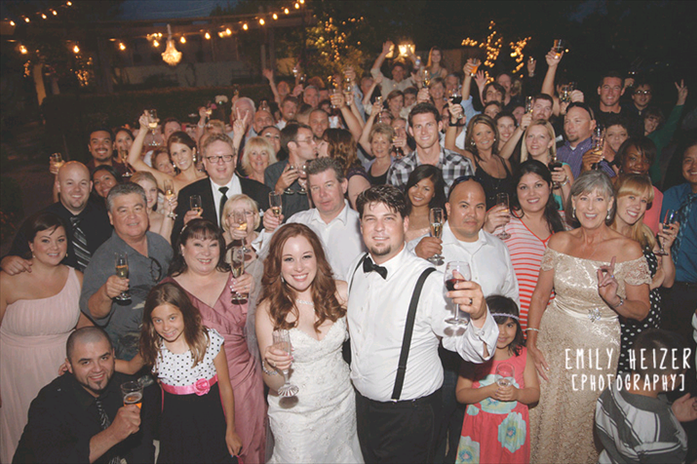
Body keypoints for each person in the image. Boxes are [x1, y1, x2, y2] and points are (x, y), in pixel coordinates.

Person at [348, 184, 498, 463]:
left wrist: (479, 316)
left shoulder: (429, 282)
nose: (379, 228)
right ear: (361, 226)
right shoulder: (358, 266)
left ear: (405, 224)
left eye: (389, 218)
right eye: (371, 219)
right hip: (363, 412)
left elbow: (474, 351)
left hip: (410, 418)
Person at [527, 170, 651, 463]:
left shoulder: (628, 249)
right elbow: (540, 296)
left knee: (579, 420)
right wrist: (532, 343)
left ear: (610, 204)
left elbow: (641, 309)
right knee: (543, 410)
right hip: (551, 342)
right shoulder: (559, 242)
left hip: (595, 348)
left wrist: (615, 300)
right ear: (573, 203)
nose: (591, 206)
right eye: (584, 198)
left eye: (599, 198)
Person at [157, 219, 265, 463]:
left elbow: (267, 322)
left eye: (213, 245)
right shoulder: (169, 290)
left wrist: (258, 290)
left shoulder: (240, 280)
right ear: (182, 249)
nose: (206, 253)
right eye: (197, 244)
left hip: (243, 380)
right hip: (197, 393)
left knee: (249, 448)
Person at [256, 223, 363, 463]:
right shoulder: (268, 310)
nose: (299, 267)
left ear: (318, 257)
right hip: (296, 417)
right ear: (277, 264)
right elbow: (272, 382)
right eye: (289, 259)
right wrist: (272, 364)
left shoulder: (342, 293)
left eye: (306, 256)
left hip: (342, 404)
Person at [0, 212, 92, 463]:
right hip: (15, 375)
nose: (55, 247)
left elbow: (85, 332)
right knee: (22, 437)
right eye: (46, 240)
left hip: (60, 372)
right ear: (30, 244)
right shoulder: (7, 280)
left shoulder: (77, 279)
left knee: (61, 439)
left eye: (61, 240)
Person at [12, 327, 156, 464]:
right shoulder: (49, 402)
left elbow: (142, 447)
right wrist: (112, 434)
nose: (98, 369)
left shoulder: (125, 388)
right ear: (69, 365)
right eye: (86, 362)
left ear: (113, 355)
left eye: (104, 358)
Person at [140, 282, 242, 463]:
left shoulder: (208, 341)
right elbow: (133, 369)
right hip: (174, 427)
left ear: (185, 314)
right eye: (158, 320)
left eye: (172, 318)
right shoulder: (154, 346)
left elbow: (226, 387)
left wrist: (231, 430)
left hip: (210, 421)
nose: (166, 327)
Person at [80, 183, 173, 359]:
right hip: (129, 357)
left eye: (138, 208)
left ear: (147, 210)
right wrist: (106, 293)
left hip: (168, 347)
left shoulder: (161, 245)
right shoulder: (102, 259)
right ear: (110, 217)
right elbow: (93, 312)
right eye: (123, 211)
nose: (132, 216)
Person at [455, 296, 540, 464]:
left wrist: (517, 394)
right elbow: (461, 394)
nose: (502, 332)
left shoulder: (523, 354)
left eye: (509, 325)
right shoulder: (474, 355)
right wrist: (488, 390)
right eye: (496, 325)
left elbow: (534, 393)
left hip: (511, 430)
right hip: (480, 429)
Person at [595, 329, 697, 464]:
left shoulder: (617, 385)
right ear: (669, 380)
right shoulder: (658, 435)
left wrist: (671, 414)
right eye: (682, 374)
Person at [487, 161, 566, 331]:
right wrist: (484, 229)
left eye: (538, 185)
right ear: (515, 191)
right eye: (523, 187)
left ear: (550, 186)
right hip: (512, 328)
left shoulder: (564, 224)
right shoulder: (503, 221)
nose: (531, 193)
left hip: (556, 327)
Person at [610, 174, 677, 373]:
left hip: (649, 327)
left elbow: (669, 281)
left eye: (643, 201)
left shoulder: (645, 234)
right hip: (622, 325)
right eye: (631, 197)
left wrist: (666, 247)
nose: (637, 206)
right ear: (615, 197)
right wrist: (649, 285)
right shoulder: (604, 237)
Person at [262, 158, 365, 280]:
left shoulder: (362, 226)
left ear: (343, 186)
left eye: (328, 185)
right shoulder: (298, 222)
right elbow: (268, 258)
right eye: (316, 188)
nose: (323, 194)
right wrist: (269, 229)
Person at [2, 161, 112, 274]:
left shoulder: (107, 217)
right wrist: (5, 261)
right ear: (58, 186)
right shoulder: (41, 220)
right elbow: (13, 257)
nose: (77, 189)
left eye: (83, 183)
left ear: (90, 186)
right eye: (70, 183)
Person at [172, 133, 271, 241]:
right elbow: (176, 242)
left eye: (226, 157)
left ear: (234, 160)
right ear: (205, 162)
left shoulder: (260, 191)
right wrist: (186, 227)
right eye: (214, 158)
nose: (221, 162)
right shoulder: (189, 194)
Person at [661, 141, 697, 370]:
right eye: (688, 160)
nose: (693, 166)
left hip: (694, 291)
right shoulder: (671, 195)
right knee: (664, 351)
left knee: (690, 357)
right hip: (666, 287)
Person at [387, 103, 474, 191]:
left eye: (429, 125)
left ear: (439, 126)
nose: (424, 132)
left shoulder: (461, 165)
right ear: (411, 131)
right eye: (418, 126)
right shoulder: (398, 169)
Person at [128, 112, 207, 194]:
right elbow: (133, 161)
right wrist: (143, 129)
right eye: (175, 154)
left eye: (183, 151)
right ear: (171, 158)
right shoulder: (170, 182)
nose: (180, 157)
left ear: (193, 151)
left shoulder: (209, 177)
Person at [264, 124, 317, 222]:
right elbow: (271, 214)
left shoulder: (318, 170)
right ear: (292, 146)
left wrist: (310, 191)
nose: (314, 144)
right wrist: (279, 188)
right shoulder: (274, 171)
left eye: (314, 139)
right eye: (308, 140)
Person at [463, 114, 515, 209]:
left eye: (488, 132)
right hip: (483, 220)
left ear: (494, 134)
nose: (485, 137)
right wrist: (453, 122)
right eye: (479, 134)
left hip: (508, 219)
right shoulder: (470, 158)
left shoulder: (505, 163)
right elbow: (450, 147)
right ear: (472, 138)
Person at [613, 137, 664, 234]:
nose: (639, 165)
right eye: (633, 158)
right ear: (622, 158)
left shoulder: (655, 195)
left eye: (646, 161)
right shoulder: (607, 186)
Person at [520, 119, 574, 208]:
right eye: (530, 136)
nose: (534, 141)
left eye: (541, 137)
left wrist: (564, 183)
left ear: (550, 142)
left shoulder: (560, 169)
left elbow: (571, 209)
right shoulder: (523, 170)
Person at [318, 128, 371, 209]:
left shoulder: (355, 177)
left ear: (335, 147)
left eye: (323, 143)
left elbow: (362, 212)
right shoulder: (334, 172)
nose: (317, 147)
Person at [404, 165, 447, 243]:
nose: (418, 193)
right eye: (415, 186)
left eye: (426, 189)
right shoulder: (398, 214)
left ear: (434, 193)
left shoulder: (438, 221)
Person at [131, 171, 177, 244]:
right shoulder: (130, 221)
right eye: (143, 191)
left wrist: (167, 212)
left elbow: (164, 250)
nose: (149, 195)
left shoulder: (165, 219)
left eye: (152, 190)